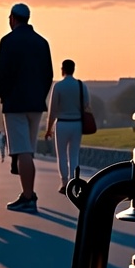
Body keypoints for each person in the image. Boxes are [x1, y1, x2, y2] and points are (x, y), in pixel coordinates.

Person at [0, 2, 53, 213]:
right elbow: (48, 75)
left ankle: (28, 196)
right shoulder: (42, 43)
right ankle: (28, 193)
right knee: (28, 149)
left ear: (13, 18)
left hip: (15, 103)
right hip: (35, 103)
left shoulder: (8, 42)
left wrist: (4, 96)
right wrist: (40, 96)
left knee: (22, 150)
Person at [44, 59, 90, 194]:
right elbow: (87, 104)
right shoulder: (81, 86)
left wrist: (48, 129)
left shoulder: (58, 86)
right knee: (74, 155)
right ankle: (73, 181)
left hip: (62, 123)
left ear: (62, 69)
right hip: (77, 123)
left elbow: (52, 110)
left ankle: (64, 183)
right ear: (74, 69)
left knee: (62, 155)